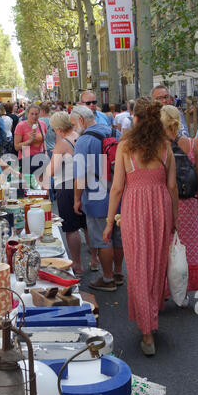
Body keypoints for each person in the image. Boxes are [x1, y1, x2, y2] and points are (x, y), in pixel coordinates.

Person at [103, 98, 178, 356]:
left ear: (134, 119)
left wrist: (109, 221)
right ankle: (150, 322)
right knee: (156, 267)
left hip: (134, 209)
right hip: (160, 209)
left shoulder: (124, 147)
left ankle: (147, 332)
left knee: (138, 269)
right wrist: (175, 219)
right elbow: (171, 187)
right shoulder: (165, 147)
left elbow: (117, 188)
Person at [71, 105, 124, 290]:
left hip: (96, 194)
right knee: (118, 235)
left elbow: (80, 174)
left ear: (81, 120)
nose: (74, 128)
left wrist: (77, 198)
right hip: (118, 191)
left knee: (103, 238)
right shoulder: (113, 132)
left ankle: (107, 279)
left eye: (74, 124)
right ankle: (118, 273)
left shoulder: (83, 141)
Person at [45, 112, 98, 275]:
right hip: (83, 184)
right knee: (87, 225)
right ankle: (95, 260)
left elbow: (52, 171)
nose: (54, 132)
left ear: (59, 129)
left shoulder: (62, 144)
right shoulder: (80, 136)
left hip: (67, 187)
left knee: (71, 228)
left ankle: (77, 264)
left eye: (54, 129)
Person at [160, 105, 198, 299]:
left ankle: (166, 289)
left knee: (166, 246)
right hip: (189, 202)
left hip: (167, 202)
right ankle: (184, 290)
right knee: (188, 245)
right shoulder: (193, 143)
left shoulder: (159, 147)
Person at [14, 104, 48, 176]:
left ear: (39, 114)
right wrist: (29, 141)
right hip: (26, 160)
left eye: (36, 114)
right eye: (32, 114)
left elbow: (44, 140)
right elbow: (16, 147)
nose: (34, 116)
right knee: (28, 184)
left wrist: (46, 152)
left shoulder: (42, 124)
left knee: (41, 184)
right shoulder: (21, 126)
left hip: (40, 158)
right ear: (27, 113)